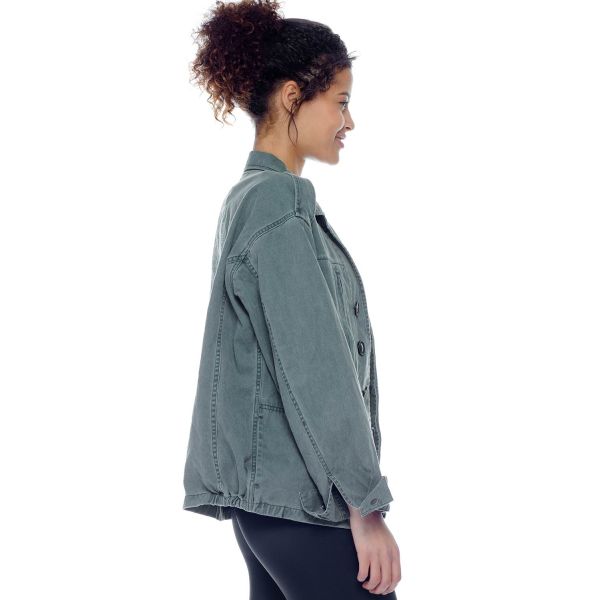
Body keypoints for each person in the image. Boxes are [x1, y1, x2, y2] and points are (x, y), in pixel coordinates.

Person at [182, 0, 402, 597]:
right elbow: (315, 369)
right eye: (341, 101)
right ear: (291, 97)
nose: (349, 121)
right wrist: (366, 505)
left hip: (268, 511)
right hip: (303, 507)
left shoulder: (246, 200)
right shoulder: (277, 204)